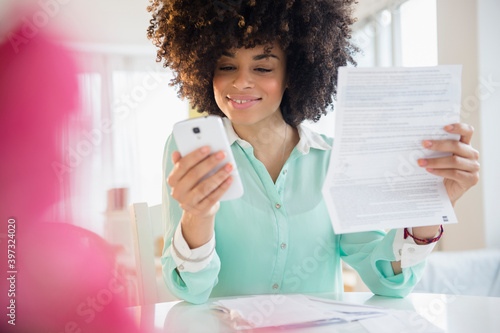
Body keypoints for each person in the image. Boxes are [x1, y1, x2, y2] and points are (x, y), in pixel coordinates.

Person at [147, 0, 480, 305]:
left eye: (262, 68)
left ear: (294, 74)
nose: (241, 83)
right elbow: (190, 290)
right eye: (226, 66)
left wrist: (429, 209)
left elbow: (388, 283)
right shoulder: (191, 150)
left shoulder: (335, 160)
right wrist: (197, 215)